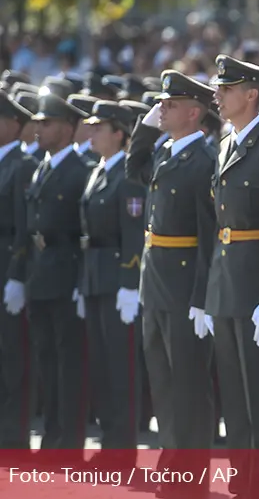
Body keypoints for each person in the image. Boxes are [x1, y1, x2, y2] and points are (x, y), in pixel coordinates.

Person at [126, 70, 218, 499]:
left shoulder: (205, 160)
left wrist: (202, 296)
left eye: (171, 104)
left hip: (184, 286)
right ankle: (171, 466)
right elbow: (134, 168)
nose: (162, 108)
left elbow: (208, 236)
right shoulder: (165, 151)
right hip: (156, 280)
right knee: (162, 380)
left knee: (187, 383)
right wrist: (144, 129)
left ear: (195, 113)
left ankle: (191, 475)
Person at [208, 54, 259, 499]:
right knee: (235, 403)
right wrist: (209, 293)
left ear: (252, 94)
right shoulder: (225, 144)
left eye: (227, 89)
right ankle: (244, 484)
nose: (218, 96)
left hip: (255, 284)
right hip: (224, 285)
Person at [21, 93, 92, 465]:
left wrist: (82, 281)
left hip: (66, 275)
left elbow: (84, 232)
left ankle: (68, 443)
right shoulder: (42, 167)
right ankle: (52, 439)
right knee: (47, 362)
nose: (38, 128)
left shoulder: (80, 171)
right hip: (42, 275)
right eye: (37, 122)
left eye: (46, 123)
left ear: (67, 128)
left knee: (69, 365)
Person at [77, 100, 144, 471]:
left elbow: (133, 234)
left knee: (121, 369)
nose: (92, 132)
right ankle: (108, 445)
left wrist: (129, 283)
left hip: (117, 279)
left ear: (119, 133)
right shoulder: (99, 170)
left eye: (100, 127)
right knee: (101, 367)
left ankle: (124, 451)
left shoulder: (128, 175)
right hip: (94, 277)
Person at [0, 93, 38, 457]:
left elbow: (24, 229)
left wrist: (16, 275)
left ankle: (13, 437)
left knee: (12, 357)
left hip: (7, 266)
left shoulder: (21, 165)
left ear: (14, 124)